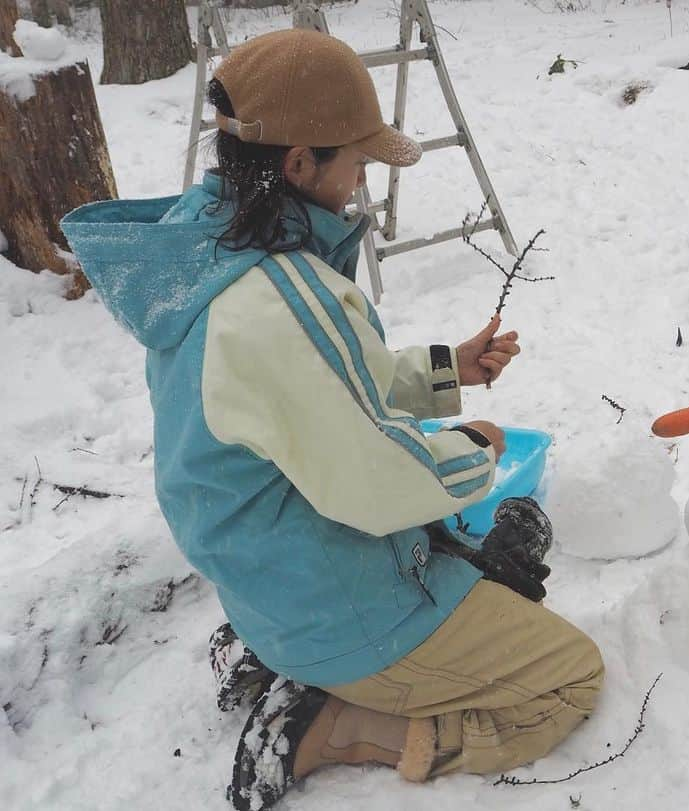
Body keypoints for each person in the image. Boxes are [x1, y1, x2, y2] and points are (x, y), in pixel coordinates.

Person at [61, 28, 603, 811]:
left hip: (268, 582)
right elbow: (376, 485)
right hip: (338, 602)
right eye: (355, 160)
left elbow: (318, 391)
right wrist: (474, 451)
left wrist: (450, 367)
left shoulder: (211, 255)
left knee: (482, 565)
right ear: (298, 163)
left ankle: (304, 659)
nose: (363, 181)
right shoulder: (279, 299)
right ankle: (344, 725)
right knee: (571, 677)